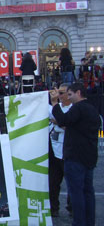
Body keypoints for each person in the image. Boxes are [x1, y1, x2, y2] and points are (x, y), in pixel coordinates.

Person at [50, 83, 100, 226]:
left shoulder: (78, 108)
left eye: (70, 94)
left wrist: (54, 104)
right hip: (89, 156)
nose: (68, 98)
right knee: (88, 192)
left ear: (79, 92)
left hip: (75, 156)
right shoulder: (92, 109)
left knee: (77, 192)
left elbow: (64, 120)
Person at [48, 83, 72, 217]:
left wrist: (59, 122)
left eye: (62, 93)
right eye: (59, 92)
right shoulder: (55, 108)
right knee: (53, 181)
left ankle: (72, 207)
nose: (59, 95)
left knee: (72, 182)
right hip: (54, 148)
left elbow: (68, 124)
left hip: (67, 150)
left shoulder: (73, 109)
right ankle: (53, 207)